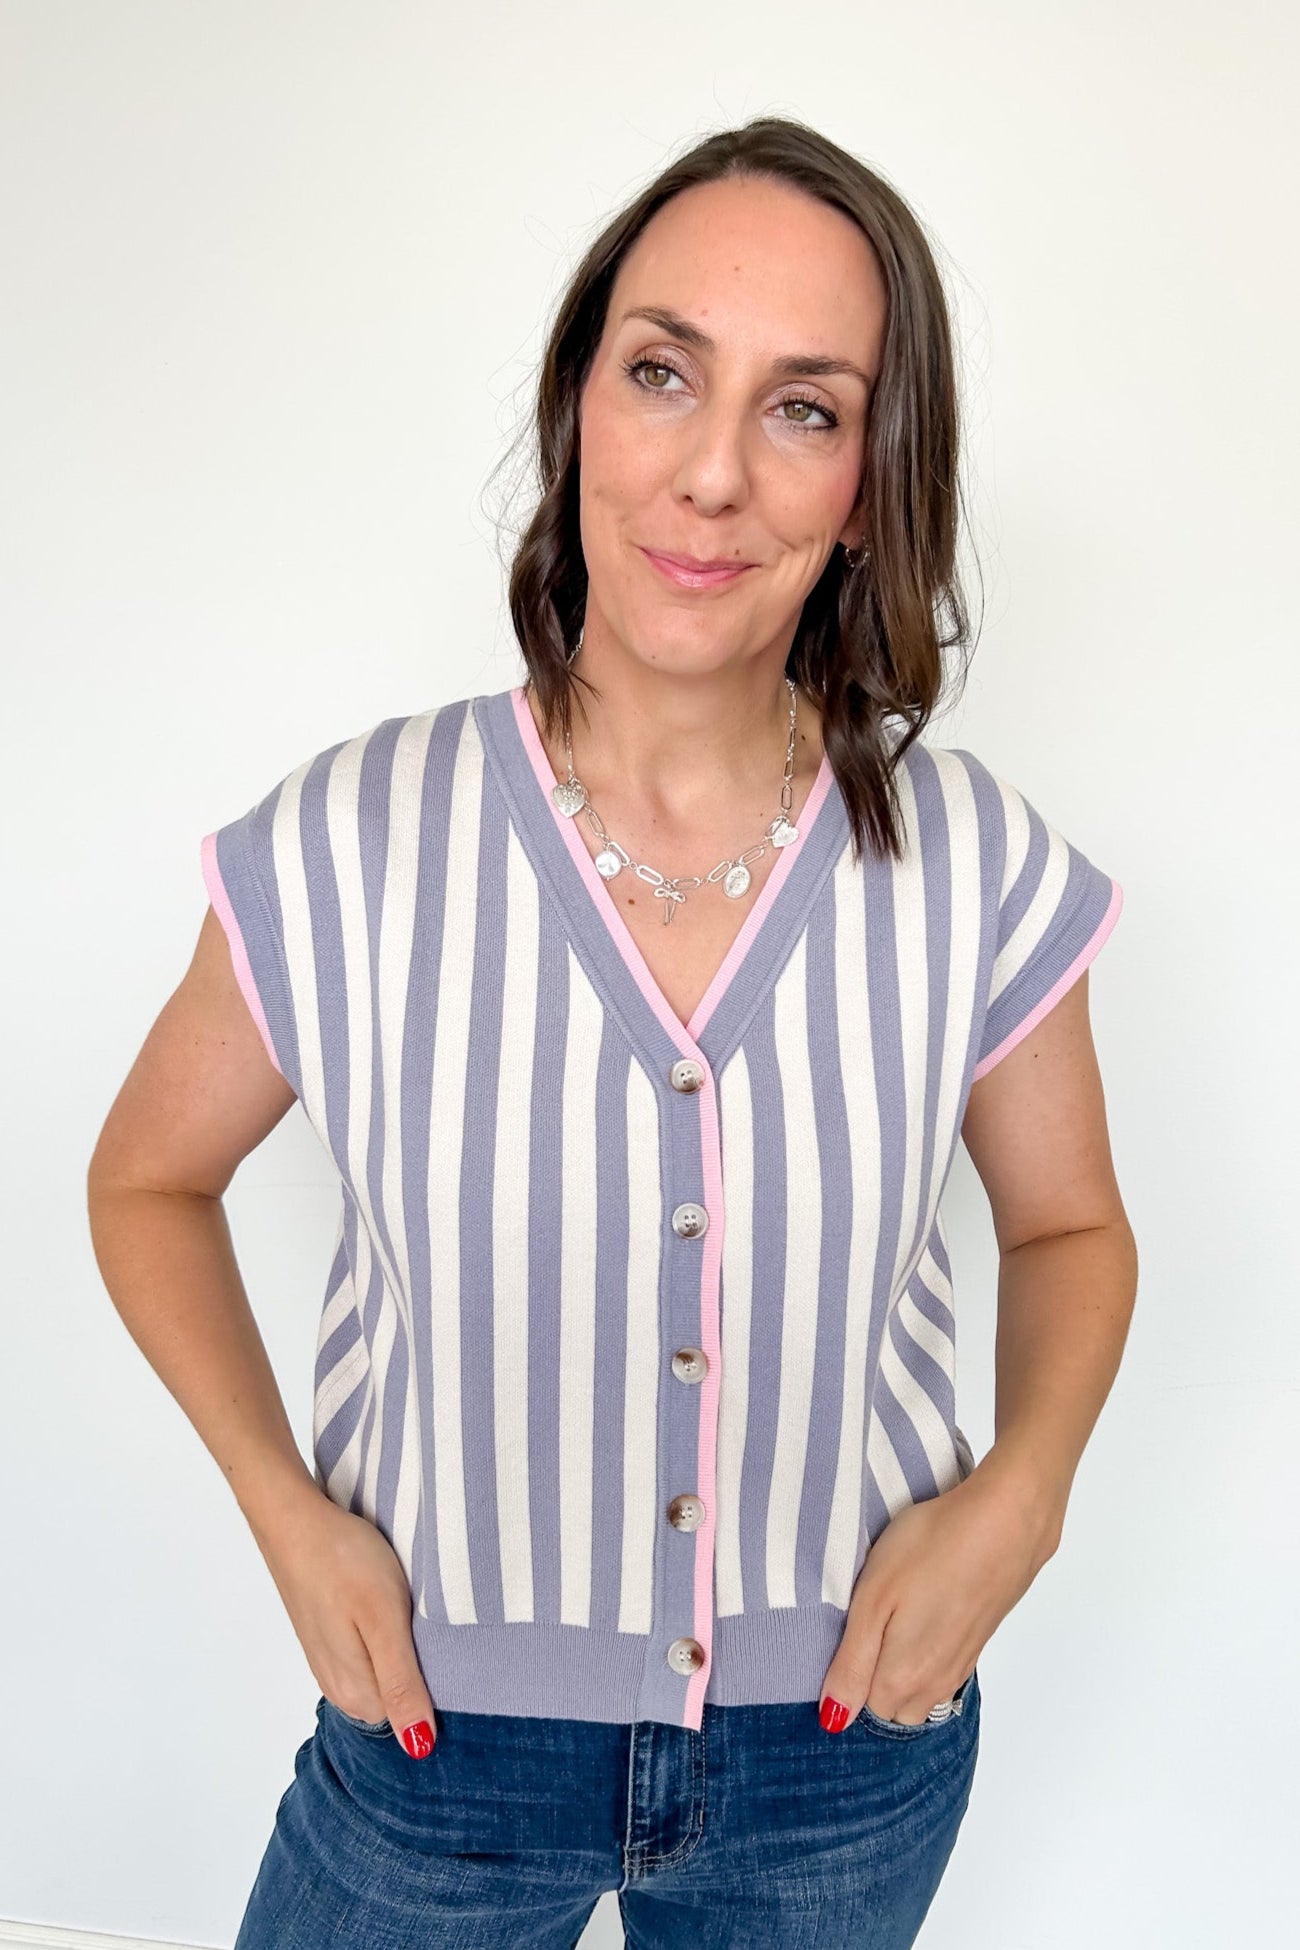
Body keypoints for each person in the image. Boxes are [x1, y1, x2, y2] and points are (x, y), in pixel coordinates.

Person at [86, 116, 1138, 1949]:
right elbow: (145, 1180)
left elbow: (1070, 1225)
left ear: (875, 484)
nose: (713, 474)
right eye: (663, 373)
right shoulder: (348, 838)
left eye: (804, 408)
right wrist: (284, 1509)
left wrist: (1025, 1489)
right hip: (432, 1737)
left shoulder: (973, 858)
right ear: (582, 401)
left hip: (845, 1745)